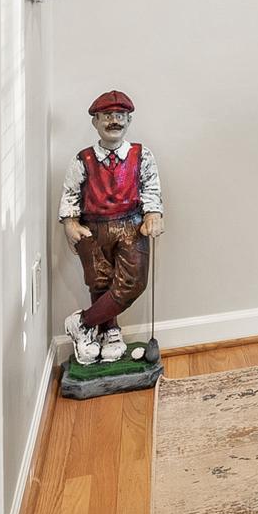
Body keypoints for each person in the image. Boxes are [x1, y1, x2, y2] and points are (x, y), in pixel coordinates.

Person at [59, 90, 164, 364]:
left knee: (132, 282)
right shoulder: (83, 159)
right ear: (95, 121)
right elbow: (71, 192)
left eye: (120, 116)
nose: (114, 121)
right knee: (100, 280)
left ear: (128, 120)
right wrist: (70, 222)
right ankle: (109, 331)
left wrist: (153, 213)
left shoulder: (141, 154)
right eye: (107, 116)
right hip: (94, 227)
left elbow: (151, 186)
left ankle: (82, 323)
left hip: (131, 224)